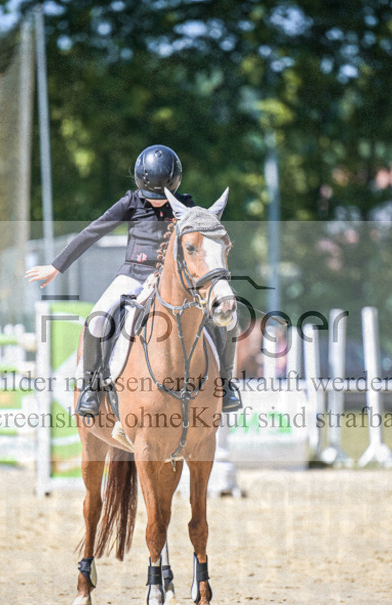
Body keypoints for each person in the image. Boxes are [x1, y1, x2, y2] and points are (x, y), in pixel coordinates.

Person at [25, 144, 241, 417]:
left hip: (172, 282)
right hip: (133, 275)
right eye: (150, 196)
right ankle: (91, 387)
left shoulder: (185, 206)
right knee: (98, 318)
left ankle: (226, 383)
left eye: (162, 197)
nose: (155, 202)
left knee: (229, 320)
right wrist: (57, 266)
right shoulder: (131, 202)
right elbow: (93, 232)